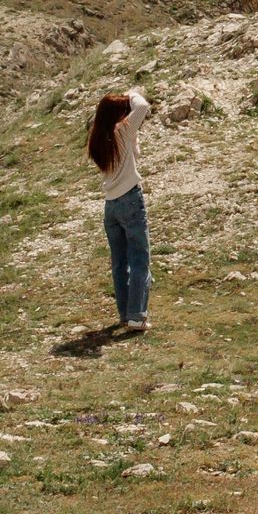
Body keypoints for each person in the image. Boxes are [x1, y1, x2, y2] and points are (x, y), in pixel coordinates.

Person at [88, 88, 152, 332]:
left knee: (120, 262)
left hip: (110, 205)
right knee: (139, 258)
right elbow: (143, 107)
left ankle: (125, 314)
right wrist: (131, 93)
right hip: (130, 199)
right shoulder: (122, 130)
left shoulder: (98, 139)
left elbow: (134, 151)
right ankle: (137, 315)